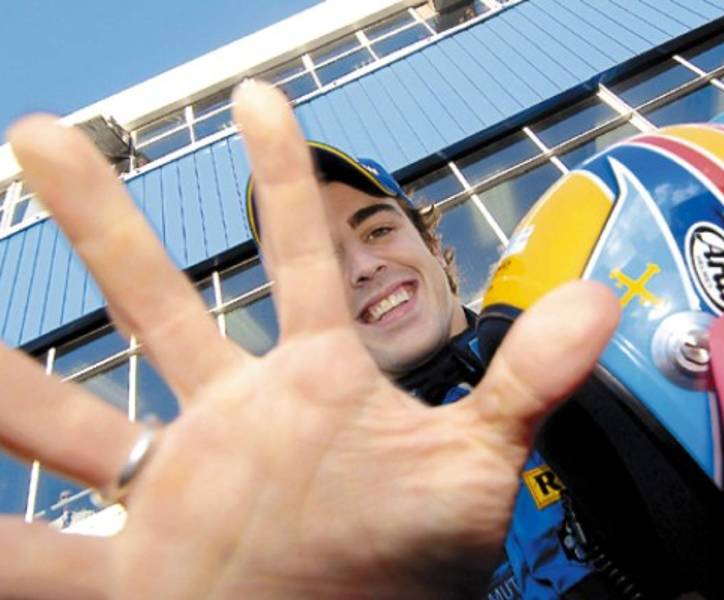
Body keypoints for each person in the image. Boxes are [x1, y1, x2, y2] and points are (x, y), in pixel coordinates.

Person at [0, 80, 618, 598]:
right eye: (322, 264)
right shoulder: (326, 495)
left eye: (376, 230)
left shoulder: (593, 367)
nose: (362, 267)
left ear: (432, 247)